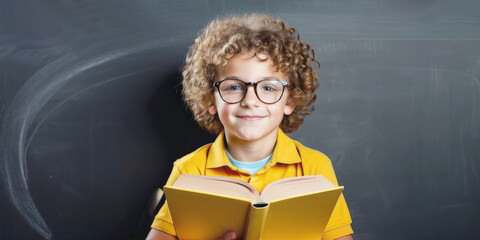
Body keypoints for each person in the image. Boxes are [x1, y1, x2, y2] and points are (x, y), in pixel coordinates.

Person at [147, 13, 353, 240]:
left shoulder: (315, 168)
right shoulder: (188, 170)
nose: (250, 100)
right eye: (234, 87)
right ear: (209, 99)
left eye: (268, 88)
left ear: (291, 100)